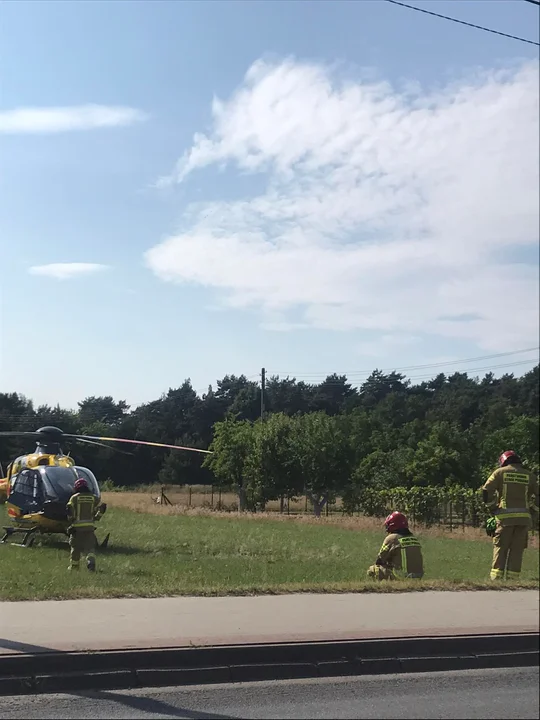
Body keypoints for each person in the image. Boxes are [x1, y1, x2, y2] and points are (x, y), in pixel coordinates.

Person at [482, 450, 539, 581]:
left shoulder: (499, 473)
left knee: (500, 548)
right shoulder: (529, 475)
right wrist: (533, 510)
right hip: (524, 520)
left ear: (503, 461)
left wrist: (492, 507)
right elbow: (538, 495)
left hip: (504, 519)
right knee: (517, 551)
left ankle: (496, 579)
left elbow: (486, 490)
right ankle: (513, 580)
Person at [367, 511, 424, 580]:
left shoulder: (392, 538)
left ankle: (381, 588)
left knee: (373, 569)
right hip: (418, 577)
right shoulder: (414, 539)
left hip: (401, 577)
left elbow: (380, 560)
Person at [66, 477, 104, 571]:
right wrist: (97, 517)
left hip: (77, 529)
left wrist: (70, 522)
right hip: (90, 528)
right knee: (90, 548)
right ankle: (91, 561)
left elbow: (70, 511)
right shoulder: (93, 498)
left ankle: (74, 567)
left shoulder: (74, 498)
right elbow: (100, 510)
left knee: (75, 548)